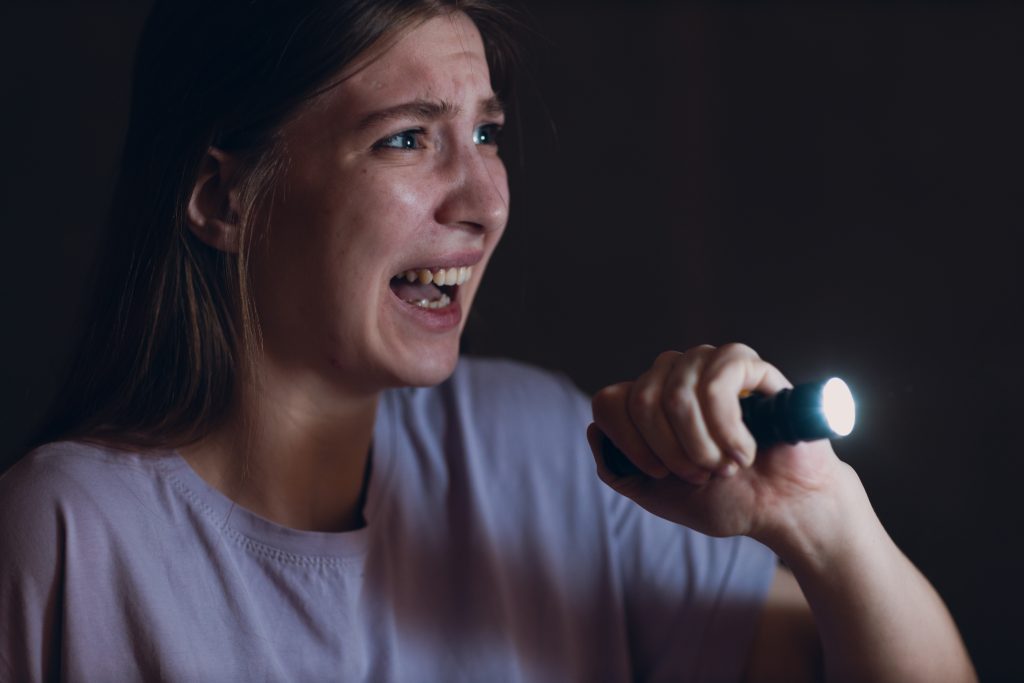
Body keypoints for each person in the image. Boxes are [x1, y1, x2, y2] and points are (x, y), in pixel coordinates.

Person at [0, 1, 976, 681]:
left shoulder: (552, 448)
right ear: (220, 196)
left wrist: (818, 518)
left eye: (487, 134)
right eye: (406, 138)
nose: (481, 202)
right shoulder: (69, 531)